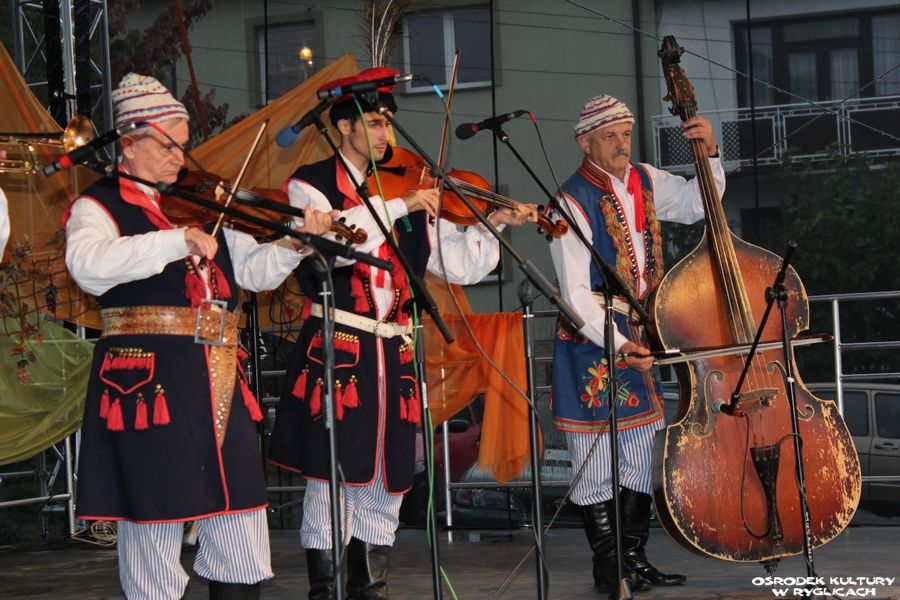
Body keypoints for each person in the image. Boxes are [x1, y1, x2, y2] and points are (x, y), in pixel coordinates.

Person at [65, 73, 333, 600]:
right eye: (166, 146)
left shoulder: (204, 205)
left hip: (220, 379)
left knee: (240, 522)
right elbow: (88, 266)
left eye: (183, 147)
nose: (179, 159)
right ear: (128, 144)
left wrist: (295, 244)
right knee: (154, 522)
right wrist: (174, 240)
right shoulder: (98, 205)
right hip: (146, 384)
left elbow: (252, 271)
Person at [268, 67, 533, 600]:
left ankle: (372, 589)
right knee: (333, 480)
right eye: (374, 122)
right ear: (344, 126)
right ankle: (327, 591)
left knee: (387, 481)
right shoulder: (310, 185)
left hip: (394, 349)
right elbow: (339, 242)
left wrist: (492, 225)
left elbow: (457, 266)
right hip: (339, 347)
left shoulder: (407, 190)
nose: (385, 133)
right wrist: (403, 205)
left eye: (388, 122)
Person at [549, 94, 724, 595]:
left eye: (625, 134)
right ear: (585, 143)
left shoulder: (643, 178)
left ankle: (634, 560)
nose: (621, 144)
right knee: (595, 460)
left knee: (641, 452)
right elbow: (573, 294)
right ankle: (610, 568)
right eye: (609, 136)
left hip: (641, 335)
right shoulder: (569, 200)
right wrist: (618, 343)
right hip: (592, 340)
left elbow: (695, 204)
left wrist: (710, 153)